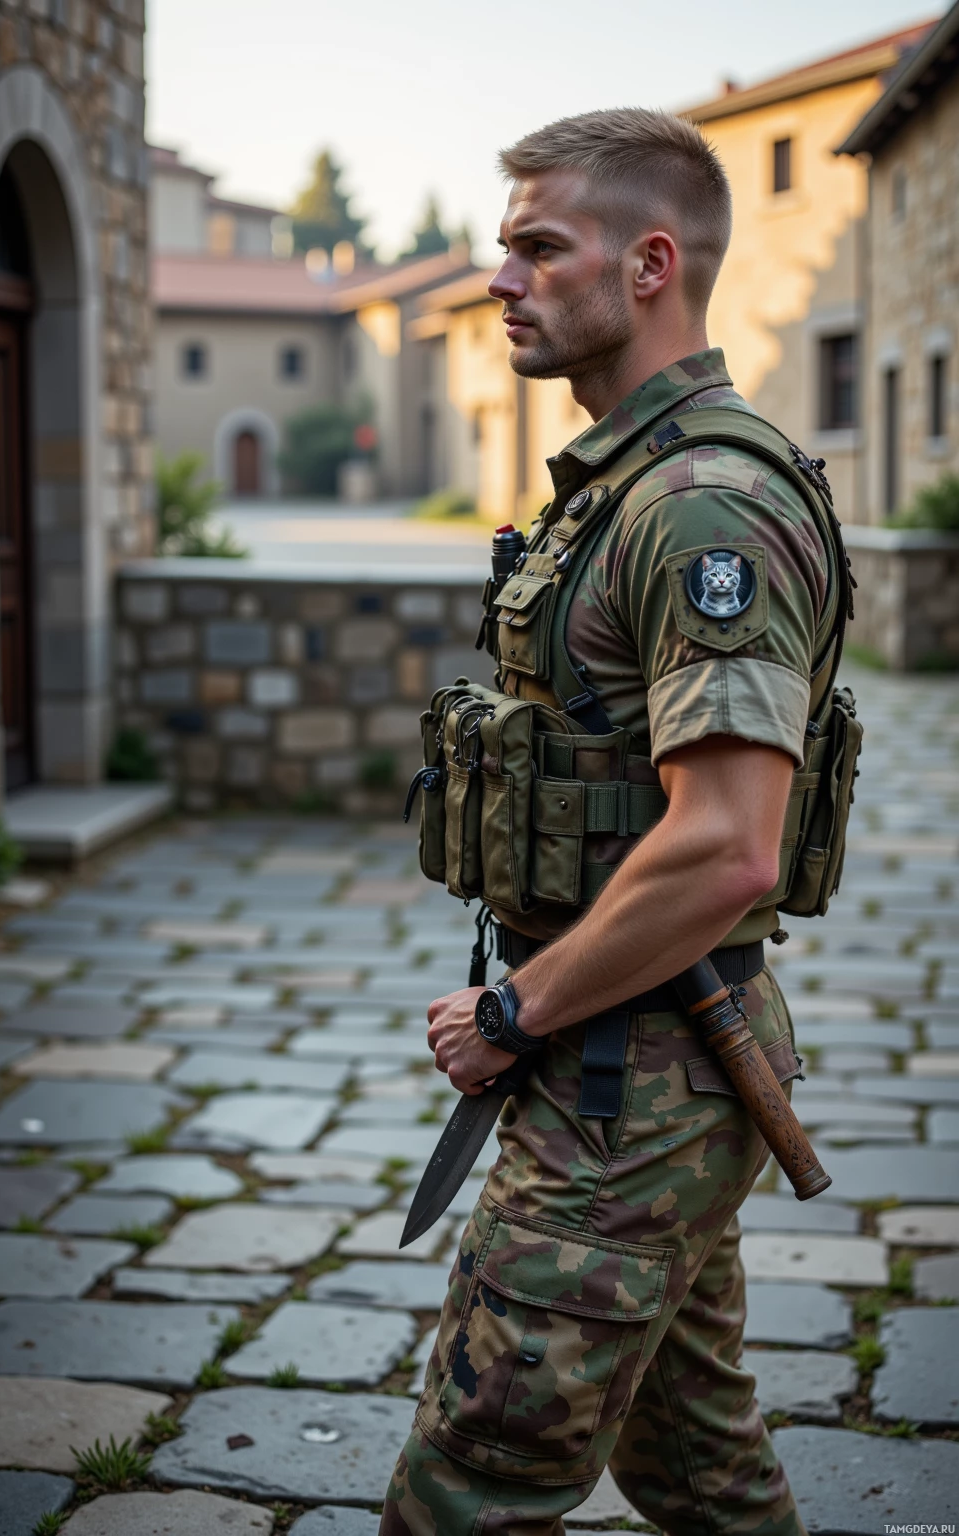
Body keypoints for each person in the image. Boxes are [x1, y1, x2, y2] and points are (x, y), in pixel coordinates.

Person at [381, 107, 836, 1535]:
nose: (500, 280)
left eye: (535, 247)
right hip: (641, 1061)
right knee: (697, 1467)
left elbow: (728, 843)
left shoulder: (702, 509)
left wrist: (513, 1012)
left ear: (649, 265)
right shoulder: (624, 487)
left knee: (472, 1481)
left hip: (628, 1082)